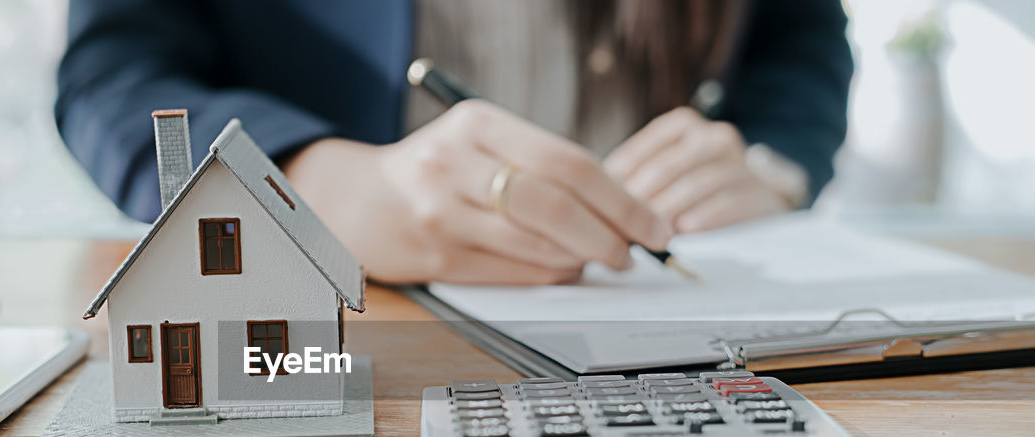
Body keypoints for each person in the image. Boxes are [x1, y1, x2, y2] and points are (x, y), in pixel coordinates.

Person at [56, 0, 852, 285]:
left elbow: (800, 34)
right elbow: (115, 76)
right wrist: (315, 187)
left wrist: (766, 158)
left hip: (656, 296)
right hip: (370, 323)